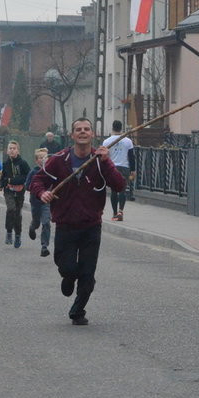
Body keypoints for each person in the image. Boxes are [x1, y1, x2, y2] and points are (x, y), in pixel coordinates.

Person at [29, 117, 127, 326]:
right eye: (78, 129)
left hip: (91, 226)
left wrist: (107, 161)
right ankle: (68, 277)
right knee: (67, 267)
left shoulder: (100, 160)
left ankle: (78, 309)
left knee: (88, 272)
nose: (83, 132)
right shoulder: (59, 159)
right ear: (72, 135)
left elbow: (119, 185)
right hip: (65, 225)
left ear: (93, 134)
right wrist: (42, 193)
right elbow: (37, 180)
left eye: (87, 129)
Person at [0, 140, 32, 248]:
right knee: (11, 209)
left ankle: (17, 235)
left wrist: (12, 180)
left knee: (17, 214)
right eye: (10, 148)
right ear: (7, 151)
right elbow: (3, 176)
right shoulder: (6, 163)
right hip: (8, 190)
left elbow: (27, 176)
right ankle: (9, 232)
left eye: (14, 148)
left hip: (19, 191)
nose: (12, 150)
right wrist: (1, 184)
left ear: (18, 150)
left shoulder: (23, 163)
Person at [102, 120, 135, 222]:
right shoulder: (127, 141)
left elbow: (104, 156)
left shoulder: (107, 141)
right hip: (124, 167)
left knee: (114, 191)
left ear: (112, 127)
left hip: (112, 167)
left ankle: (114, 213)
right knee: (122, 190)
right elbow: (131, 157)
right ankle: (121, 211)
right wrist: (133, 170)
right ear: (121, 128)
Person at [25, 148, 52, 257]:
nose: (43, 159)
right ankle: (33, 227)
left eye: (45, 157)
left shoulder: (51, 171)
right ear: (37, 161)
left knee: (46, 222)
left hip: (46, 202)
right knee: (37, 221)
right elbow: (27, 186)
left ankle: (44, 246)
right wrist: (37, 189)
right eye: (41, 158)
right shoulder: (34, 172)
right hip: (35, 201)